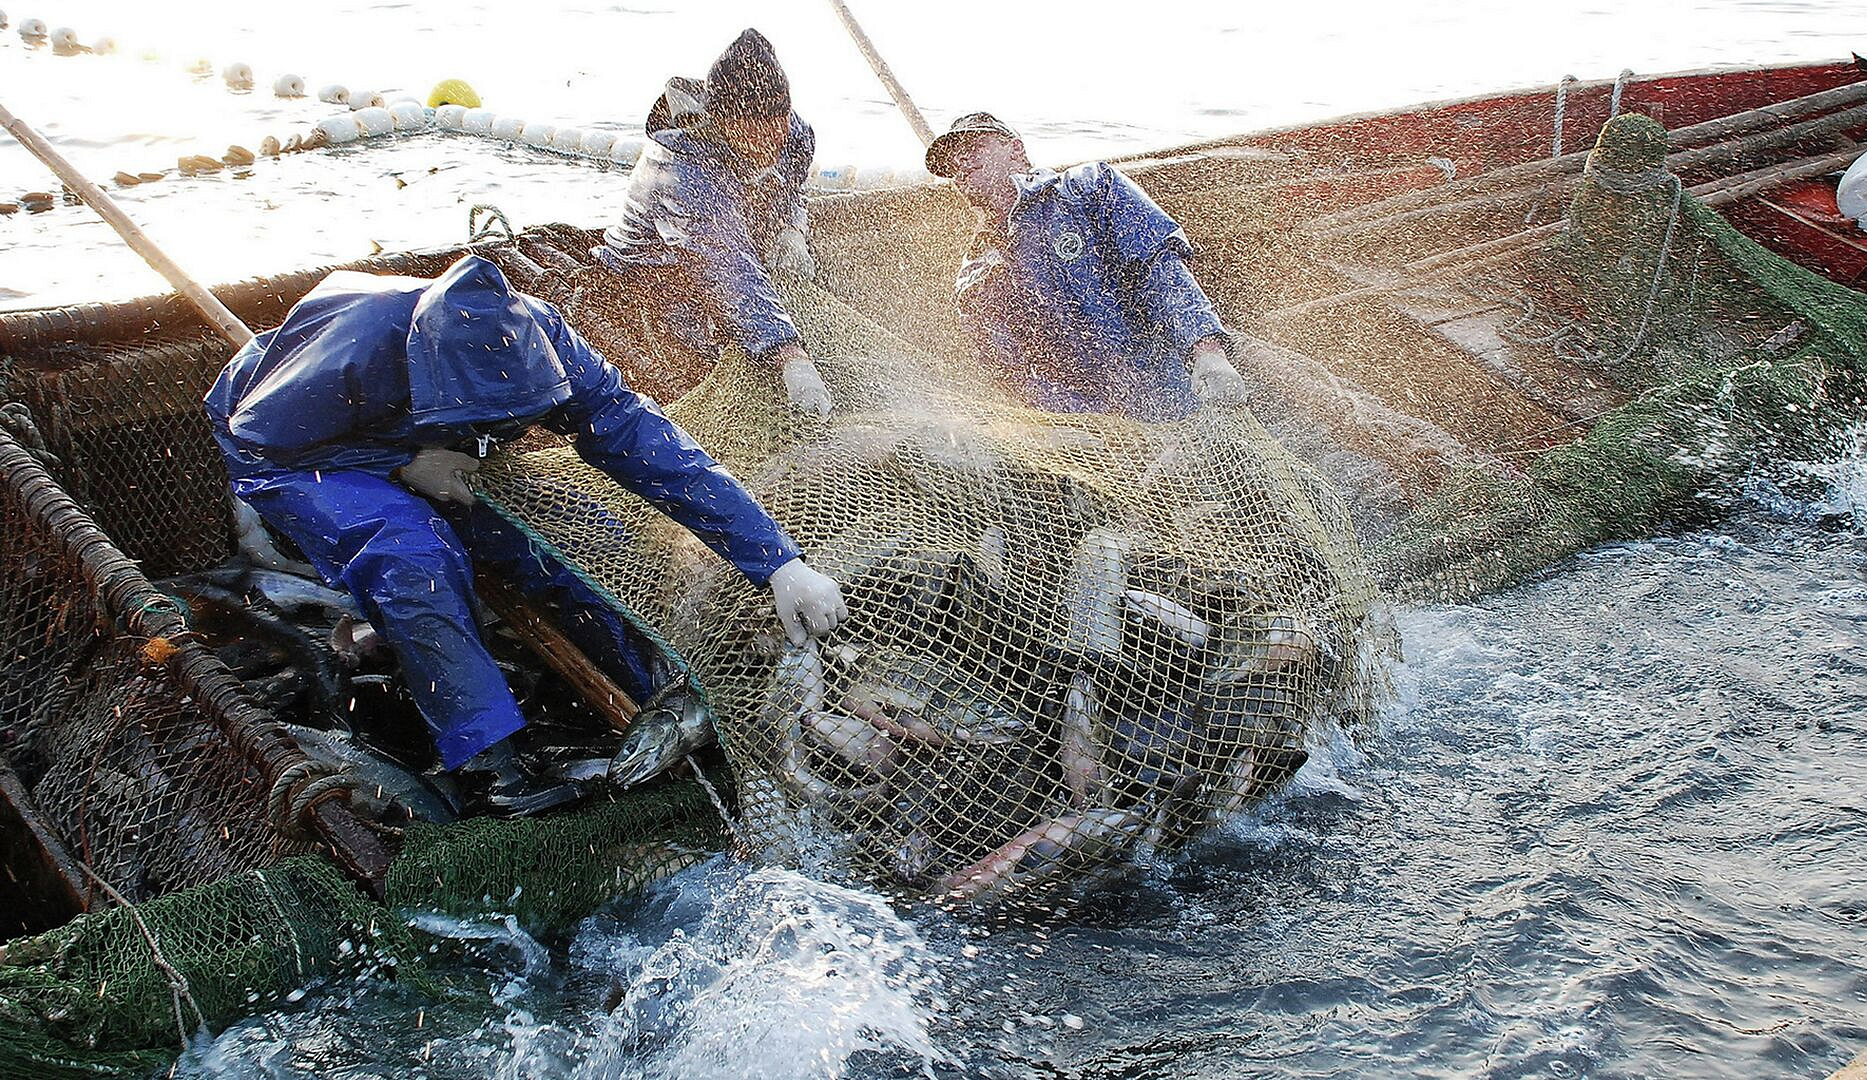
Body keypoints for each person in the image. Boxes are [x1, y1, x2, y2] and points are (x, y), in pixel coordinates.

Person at [205, 255, 847, 815]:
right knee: (413, 554)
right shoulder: (353, 356)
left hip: (434, 441)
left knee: (585, 540)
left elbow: (649, 447)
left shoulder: (548, 343)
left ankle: (659, 697)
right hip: (297, 449)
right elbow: (256, 435)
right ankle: (488, 762)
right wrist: (401, 464)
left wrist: (778, 561)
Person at [924, 112, 1249, 422]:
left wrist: (1208, 351)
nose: (961, 164)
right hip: (1096, 426)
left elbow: (1160, 267)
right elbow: (1013, 374)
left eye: (972, 148)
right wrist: (1080, 423)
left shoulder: (1090, 188)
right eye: (952, 164)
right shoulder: (977, 275)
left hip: (1182, 388)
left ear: (1015, 149)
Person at [590, 28, 832, 417]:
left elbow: (789, 190)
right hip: (647, 292)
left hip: (729, 271)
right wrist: (790, 354)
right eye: (755, 129)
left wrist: (792, 229)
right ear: (720, 121)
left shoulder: (794, 136)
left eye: (779, 120)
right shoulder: (680, 167)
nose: (773, 138)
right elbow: (727, 263)